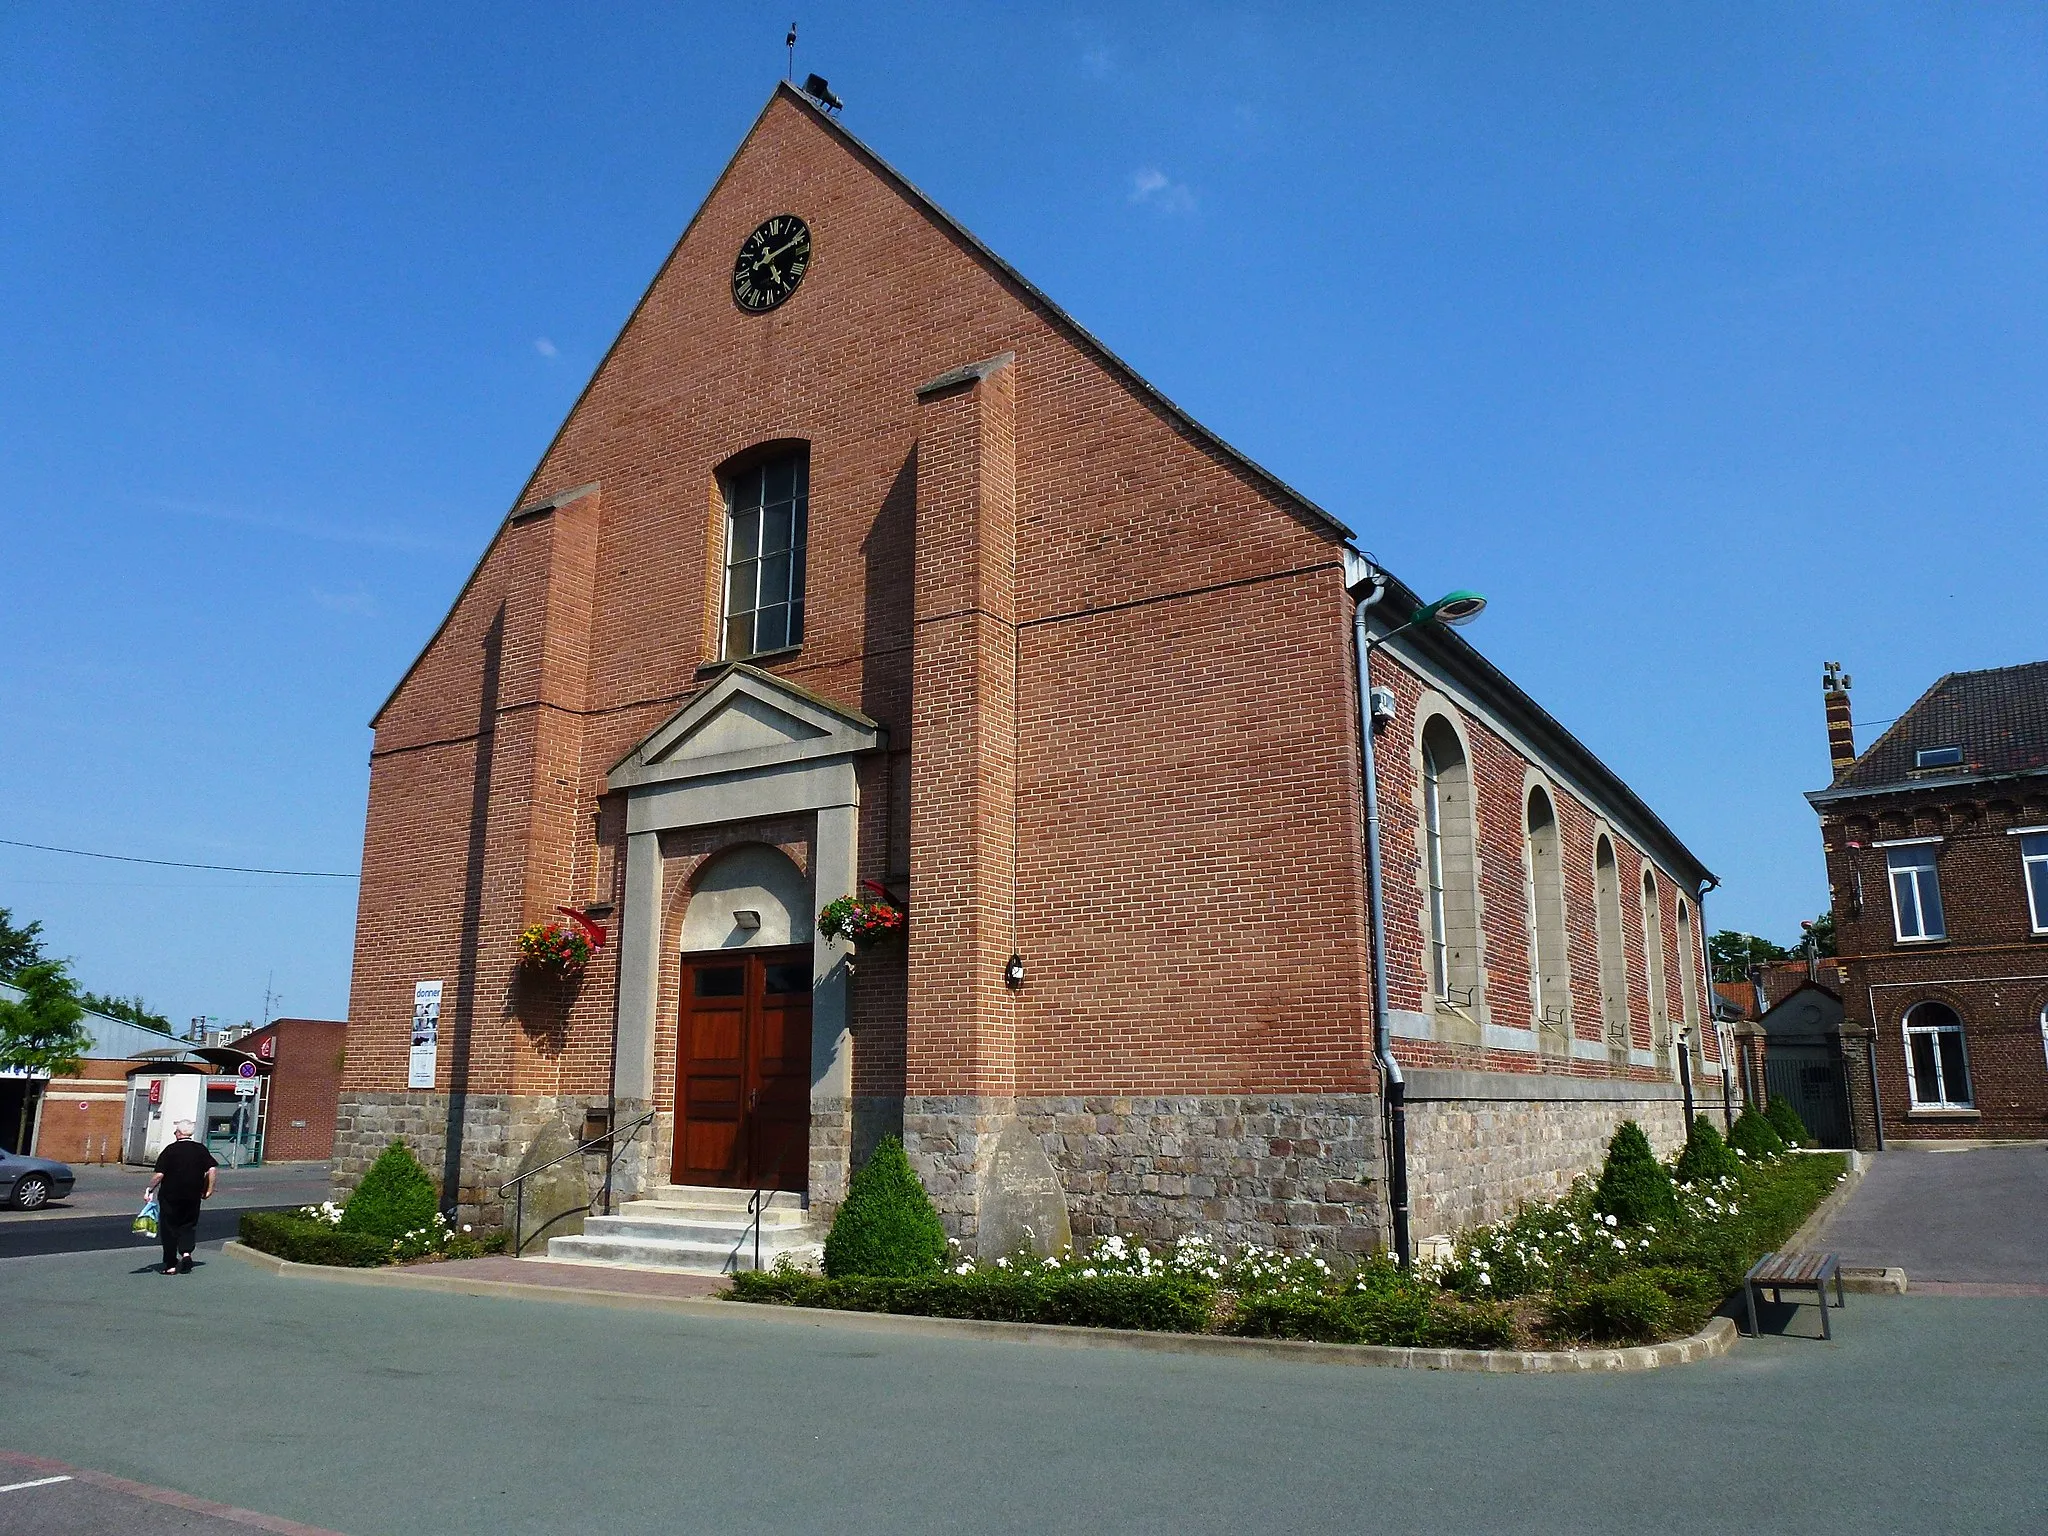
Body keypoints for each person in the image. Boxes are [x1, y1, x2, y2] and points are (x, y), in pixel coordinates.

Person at [146, 1120, 217, 1275]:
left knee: (169, 1228)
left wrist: (149, 1189)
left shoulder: (170, 1150)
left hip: (170, 1196)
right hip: (193, 1195)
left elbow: (159, 1175)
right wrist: (209, 1190)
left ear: (178, 1133)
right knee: (188, 1225)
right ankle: (186, 1253)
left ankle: (171, 1264)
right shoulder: (200, 1149)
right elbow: (211, 1169)